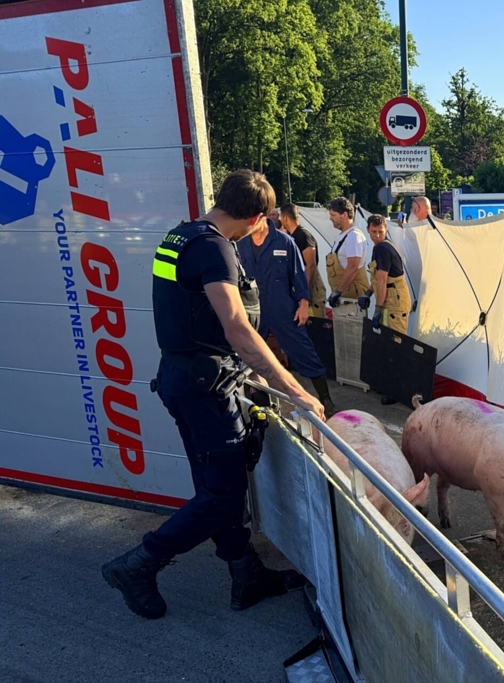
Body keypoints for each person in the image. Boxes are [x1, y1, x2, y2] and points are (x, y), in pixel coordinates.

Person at [102, 170, 324, 620]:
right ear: (256, 218)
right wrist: (295, 390)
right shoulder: (214, 248)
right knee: (222, 494)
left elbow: (191, 312)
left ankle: (245, 573)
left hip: (183, 378)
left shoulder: (181, 236)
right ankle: (139, 564)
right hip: (206, 390)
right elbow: (238, 328)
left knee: (214, 487)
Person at [238, 211, 338, 418]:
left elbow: (298, 275)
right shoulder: (239, 243)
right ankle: (252, 402)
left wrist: (303, 304)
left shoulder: (285, 242)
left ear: (262, 217)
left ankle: (325, 398)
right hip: (253, 311)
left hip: (283, 309)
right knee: (247, 356)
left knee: (304, 351)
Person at [358, 214, 413, 405]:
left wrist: (377, 308)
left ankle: (397, 391)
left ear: (386, 230)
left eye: (380, 231)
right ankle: (389, 384)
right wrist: (367, 293)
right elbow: (377, 280)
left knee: (396, 346)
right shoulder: (379, 247)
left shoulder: (382, 248)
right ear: (368, 230)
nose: (377, 235)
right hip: (391, 300)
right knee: (387, 344)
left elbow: (382, 280)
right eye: (373, 232)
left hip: (394, 303)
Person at [278, 204, 326, 317]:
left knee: (315, 321)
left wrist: (305, 292)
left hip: (311, 285)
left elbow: (311, 265)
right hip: (299, 282)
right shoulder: (291, 236)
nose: (280, 220)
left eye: (280, 217)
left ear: (285, 218)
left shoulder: (303, 235)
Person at [324, 197, 369, 307]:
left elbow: (352, 267)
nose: (330, 218)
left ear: (344, 215)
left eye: (333, 215)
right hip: (345, 295)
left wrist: (338, 292)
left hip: (351, 297)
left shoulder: (353, 236)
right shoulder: (344, 235)